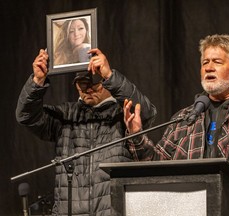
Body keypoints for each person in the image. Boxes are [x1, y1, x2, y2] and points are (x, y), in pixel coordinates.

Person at [124, 34, 229, 215]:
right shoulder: (186, 118)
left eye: (217, 62)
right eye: (204, 63)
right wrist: (137, 136)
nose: (209, 68)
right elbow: (157, 170)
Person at [15, 48, 157, 215]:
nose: (88, 89)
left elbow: (147, 113)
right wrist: (37, 82)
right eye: (83, 83)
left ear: (105, 82)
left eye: (95, 82)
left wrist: (111, 76)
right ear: (76, 85)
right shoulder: (65, 116)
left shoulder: (122, 113)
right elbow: (26, 116)